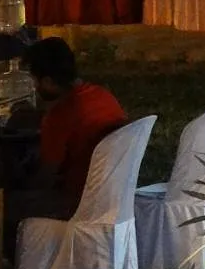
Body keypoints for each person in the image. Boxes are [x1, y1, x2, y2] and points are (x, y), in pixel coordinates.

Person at [15, 38, 129, 220]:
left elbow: (47, 177)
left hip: (76, 203)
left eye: (34, 81)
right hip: (115, 197)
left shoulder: (59, 116)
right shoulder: (103, 96)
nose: (34, 88)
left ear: (48, 81)